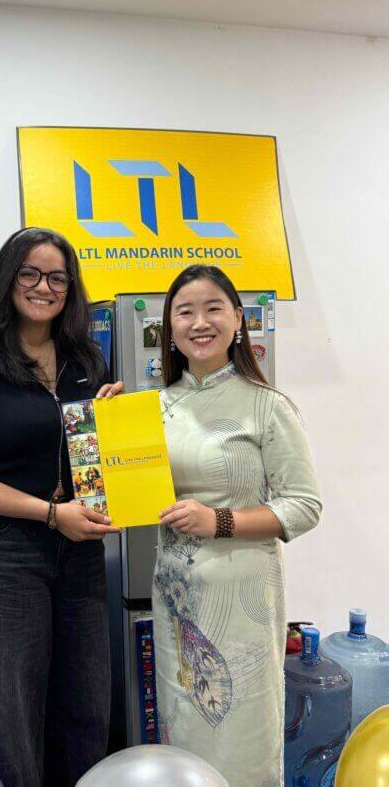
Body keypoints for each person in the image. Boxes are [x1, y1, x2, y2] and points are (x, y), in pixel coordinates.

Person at [0, 227, 123, 787]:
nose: (44, 287)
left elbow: (93, 462)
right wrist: (49, 513)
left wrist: (115, 423)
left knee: (86, 708)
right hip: (6, 552)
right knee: (7, 715)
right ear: (7, 278)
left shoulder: (87, 359)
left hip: (79, 553)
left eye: (58, 277)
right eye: (31, 274)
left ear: (71, 288)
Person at [152, 265, 322, 787]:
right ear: (170, 327)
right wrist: (106, 425)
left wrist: (218, 520)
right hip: (178, 600)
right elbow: (116, 493)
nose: (199, 322)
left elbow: (304, 505)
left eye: (213, 308)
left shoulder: (267, 406)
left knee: (243, 732)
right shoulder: (154, 408)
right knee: (183, 727)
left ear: (238, 319)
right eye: (185, 311)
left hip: (242, 597)